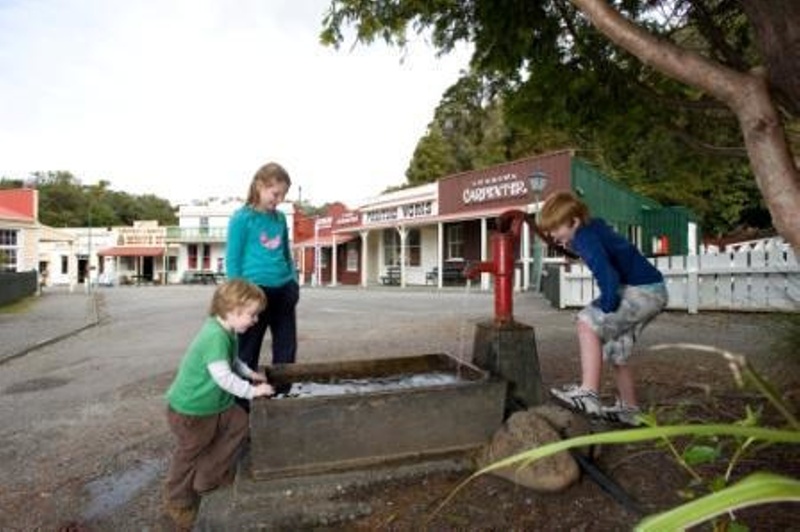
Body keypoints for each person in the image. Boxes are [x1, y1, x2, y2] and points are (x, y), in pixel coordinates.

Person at [539, 191, 668, 426]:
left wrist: (607, 306)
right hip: (652, 290)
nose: (554, 235)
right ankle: (630, 410)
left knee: (586, 321)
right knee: (616, 348)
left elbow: (607, 275)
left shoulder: (584, 238)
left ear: (574, 221)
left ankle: (588, 394)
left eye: (557, 228)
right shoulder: (592, 230)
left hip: (642, 292)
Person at [163, 279, 274, 529]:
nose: (256, 320)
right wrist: (252, 391)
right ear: (232, 311)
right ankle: (177, 500)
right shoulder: (214, 335)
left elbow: (232, 362)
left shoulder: (228, 330)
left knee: (240, 423)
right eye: (252, 315)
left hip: (216, 405)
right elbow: (223, 377)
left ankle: (208, 477)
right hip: (192, 410)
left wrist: (250, 373)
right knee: (191, 452)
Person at [226, 162, 300, 376]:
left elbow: (286, 253)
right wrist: (237, 297)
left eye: (283, 196)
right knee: (247, 350)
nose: (278, 201)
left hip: (284, 291)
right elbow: (233, 261)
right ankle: (241, 402)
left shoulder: (280, 218)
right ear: (259, 185)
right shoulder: (241, 218)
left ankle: (284, 395)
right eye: (275, 194)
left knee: (286, 349)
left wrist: (293, 283)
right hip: (253, 292)